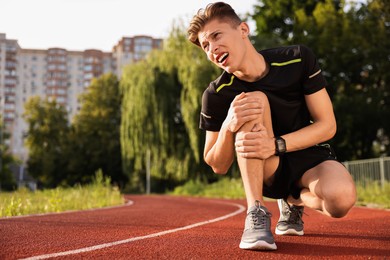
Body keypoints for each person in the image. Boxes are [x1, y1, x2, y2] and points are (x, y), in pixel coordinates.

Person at [187, 2, 357, 251]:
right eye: (205, 45)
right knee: (252, 101)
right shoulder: (216, 94)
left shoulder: (298, 59)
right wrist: (228, 125)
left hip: (308, 157)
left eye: (216, 36)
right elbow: (217, 164)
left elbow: (327, 125)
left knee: (341, 200)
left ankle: (293, 199)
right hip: (266, 168)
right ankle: (256, 215)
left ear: (243, 30)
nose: (212, 48)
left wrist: (276, 145)